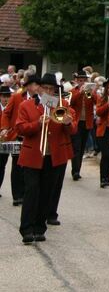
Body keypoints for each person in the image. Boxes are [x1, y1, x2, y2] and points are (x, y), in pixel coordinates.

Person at [15, 73, 76, 244]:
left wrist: (67, 122)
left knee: (46, 193)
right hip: (33, 156)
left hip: (53, 157)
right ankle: (27, 229)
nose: (48, 92)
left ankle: (39, 228)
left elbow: (73, 129)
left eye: (51, 89)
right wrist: (37, 124)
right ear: (39, 89)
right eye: (45, 88)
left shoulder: (62, 105)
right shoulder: (27, 105)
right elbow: (20, 128)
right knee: (31, 192)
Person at [0, 73, 30, 206]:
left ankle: (20, 195)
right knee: (3, 165)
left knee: (20, 166)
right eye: (3, 96)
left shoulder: (40, 98)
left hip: (25, 137)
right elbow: (6, 114)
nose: (6, 98)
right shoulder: (17, 97)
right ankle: (17, 195)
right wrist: (4, 128)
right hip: (9, 137)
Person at [69, 72, 96, 180]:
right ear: (77, 81)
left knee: (82, 147)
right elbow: (71, 102)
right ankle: (75, 171)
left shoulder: (89, 92)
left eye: (84, 80)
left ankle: (77, 170)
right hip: (76, 122)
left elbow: (96, 101)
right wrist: (80, 92)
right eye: (80, 80)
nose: (82, 82)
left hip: (86, 122)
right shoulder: (73, 91)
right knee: (76, 147)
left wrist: (92, 93)